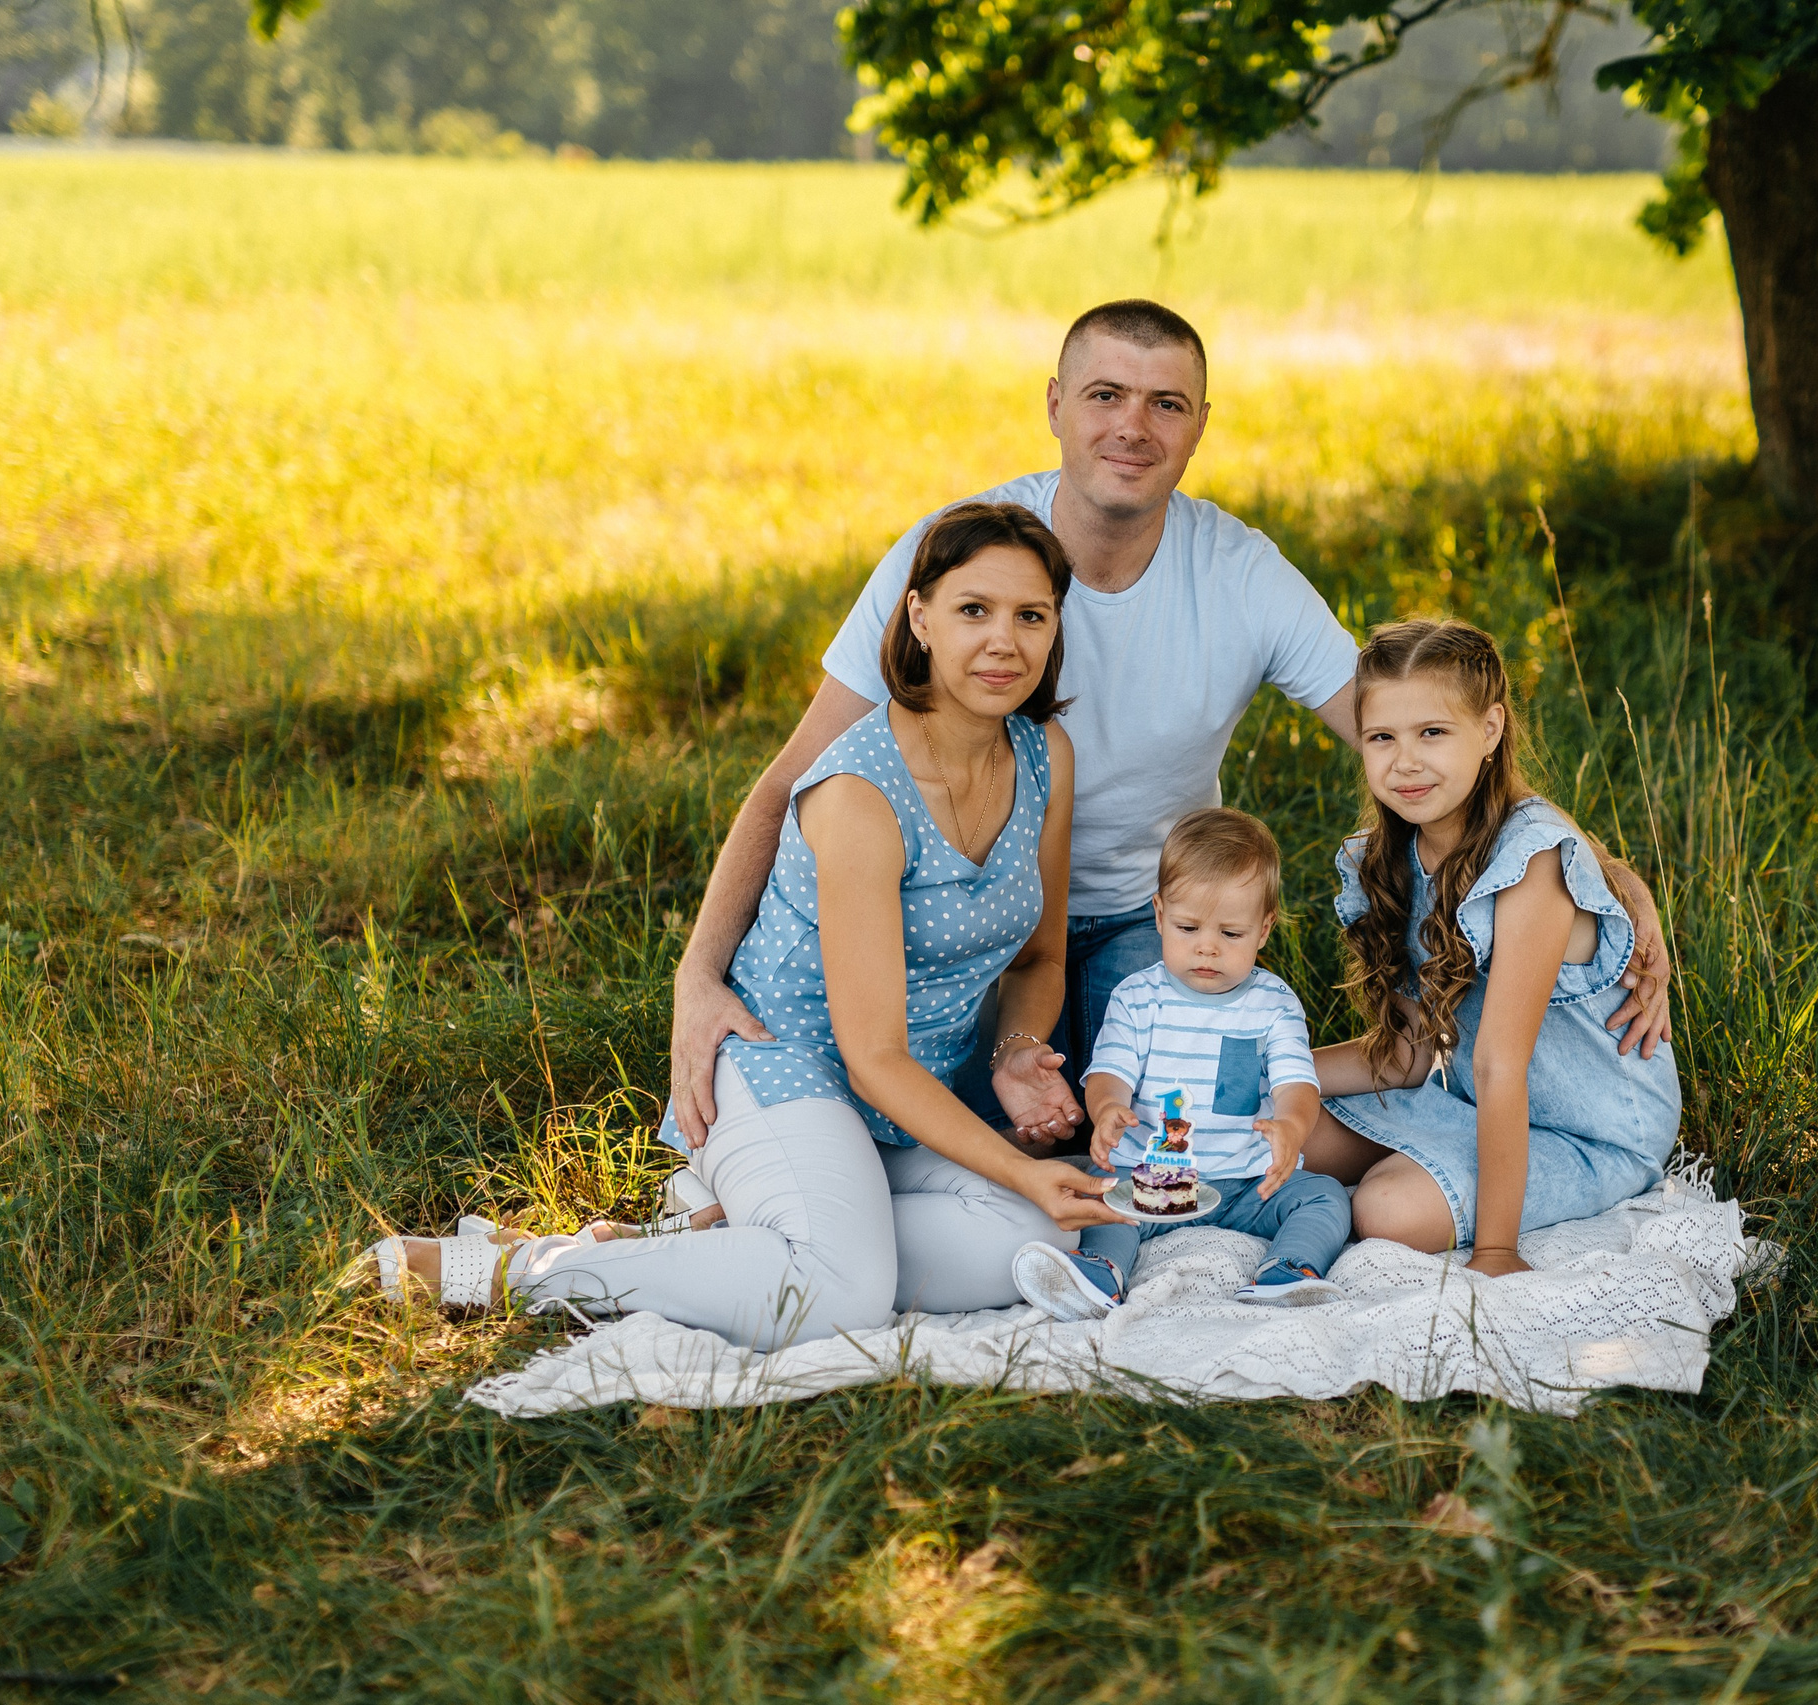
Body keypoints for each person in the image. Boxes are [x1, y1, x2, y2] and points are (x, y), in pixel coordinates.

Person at [663, 297, 1676, 1166]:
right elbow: (795, 780)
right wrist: (697, 975)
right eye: (1104, 394)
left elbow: (1424, 738)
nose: (1131, 426)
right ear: (1054, 405)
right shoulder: (965, 558)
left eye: (1166, 403)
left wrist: (1599, 870)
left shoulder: (1239, 573)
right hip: (977, 923)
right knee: (980, 1130)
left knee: (1166, 1148)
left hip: (1161, 921)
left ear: (1198, 426)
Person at [358, 503, 1123, 1336]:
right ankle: (515, 1268)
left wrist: (1015, 1052)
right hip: (784, 1066)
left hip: (908, 1100)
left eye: (1030, 615)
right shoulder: (863, 791)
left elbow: (1039, 959)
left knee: (1056, 1232)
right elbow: (870, 1056)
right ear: (920, 618)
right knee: (843, 1292)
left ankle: (714, 1239)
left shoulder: (1045, 753)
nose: (1002, 641)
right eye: (973, 609)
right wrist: (1014, 1163)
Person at [1298, 620, 1681, 1278]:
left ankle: (1429, 1190)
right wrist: (1273, 1071)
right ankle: (1345, 1188)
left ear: (1492, 729)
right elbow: (1408, 1052)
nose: (1405, 761)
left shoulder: (1530, 861)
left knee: (1387, 1208)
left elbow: (1501, 1063)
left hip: (1591, 1129)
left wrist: (1496, 1250)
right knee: (1278, 1132)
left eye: (1433, 733)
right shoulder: (1391, 857)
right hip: (1472, 1101)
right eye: (1381, 737)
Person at [1011, 809, 1348, 1320]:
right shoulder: (1138, 998)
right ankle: (1100, 1271)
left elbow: (1297, 1083)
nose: (1207, 947)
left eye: (1231, 934)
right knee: (1106, 1200)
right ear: (1160, 915)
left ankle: (1288, 1269)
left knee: (1323, 1196)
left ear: (1264, 929)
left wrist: (1292, 1127)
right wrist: (1106, 1110)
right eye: (1188, 927)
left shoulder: (1275, 1004)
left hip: (1246, 1182)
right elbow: (1111, 1073)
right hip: (1154, 1181)